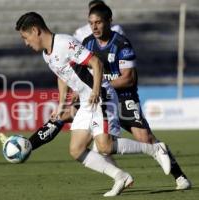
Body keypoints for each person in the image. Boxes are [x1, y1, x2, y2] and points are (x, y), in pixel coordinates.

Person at [12, 12, 172, 197]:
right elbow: (62, 76)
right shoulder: (47, 55)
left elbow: (96, 63)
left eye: (25, 37)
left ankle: (155, 149)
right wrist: (62, 103)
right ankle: (121, 177)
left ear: (35, 30)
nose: (26, 42)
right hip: (86, 98)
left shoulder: (65, 43)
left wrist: (96, 90)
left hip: (100, 94)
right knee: (76, 150)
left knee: (104, 146)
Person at [82, 3, 191, 190]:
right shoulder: (87, 43)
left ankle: (180, 177)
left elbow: (128, 78)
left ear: (109, 22)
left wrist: (98, 86)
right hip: (103, 100)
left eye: (98, 22)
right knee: (102, 145)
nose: (94, 27)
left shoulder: (121, 44)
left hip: (124, 98)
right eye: (91, 23)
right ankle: (121, 178)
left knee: (145, 138)